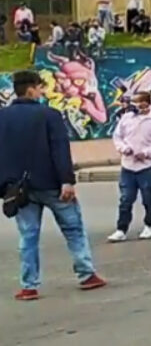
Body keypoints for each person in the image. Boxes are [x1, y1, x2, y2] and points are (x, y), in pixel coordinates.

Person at [1, 70, 107, 301]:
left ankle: (29, 285)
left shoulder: (3, 117)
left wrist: (5, 185)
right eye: (40, 87)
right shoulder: (49, 114)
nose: (42, 91)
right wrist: (67, 181)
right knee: (73, 229)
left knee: (27, 236)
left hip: (18, 189)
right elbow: (60, 149)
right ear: (31, 89)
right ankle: (86, 274)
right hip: (52, 184)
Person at [108, 91, 151, 242]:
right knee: (125, 199)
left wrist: (147, 152)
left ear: (146, 103)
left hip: (146, 166)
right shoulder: (126, 118)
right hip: (128, 165)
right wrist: (124, 149)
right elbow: (117, 137)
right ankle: (121, 229)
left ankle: (149, 226)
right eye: (133, 102)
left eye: (138, 102)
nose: (134, 106)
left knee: (148, 197)